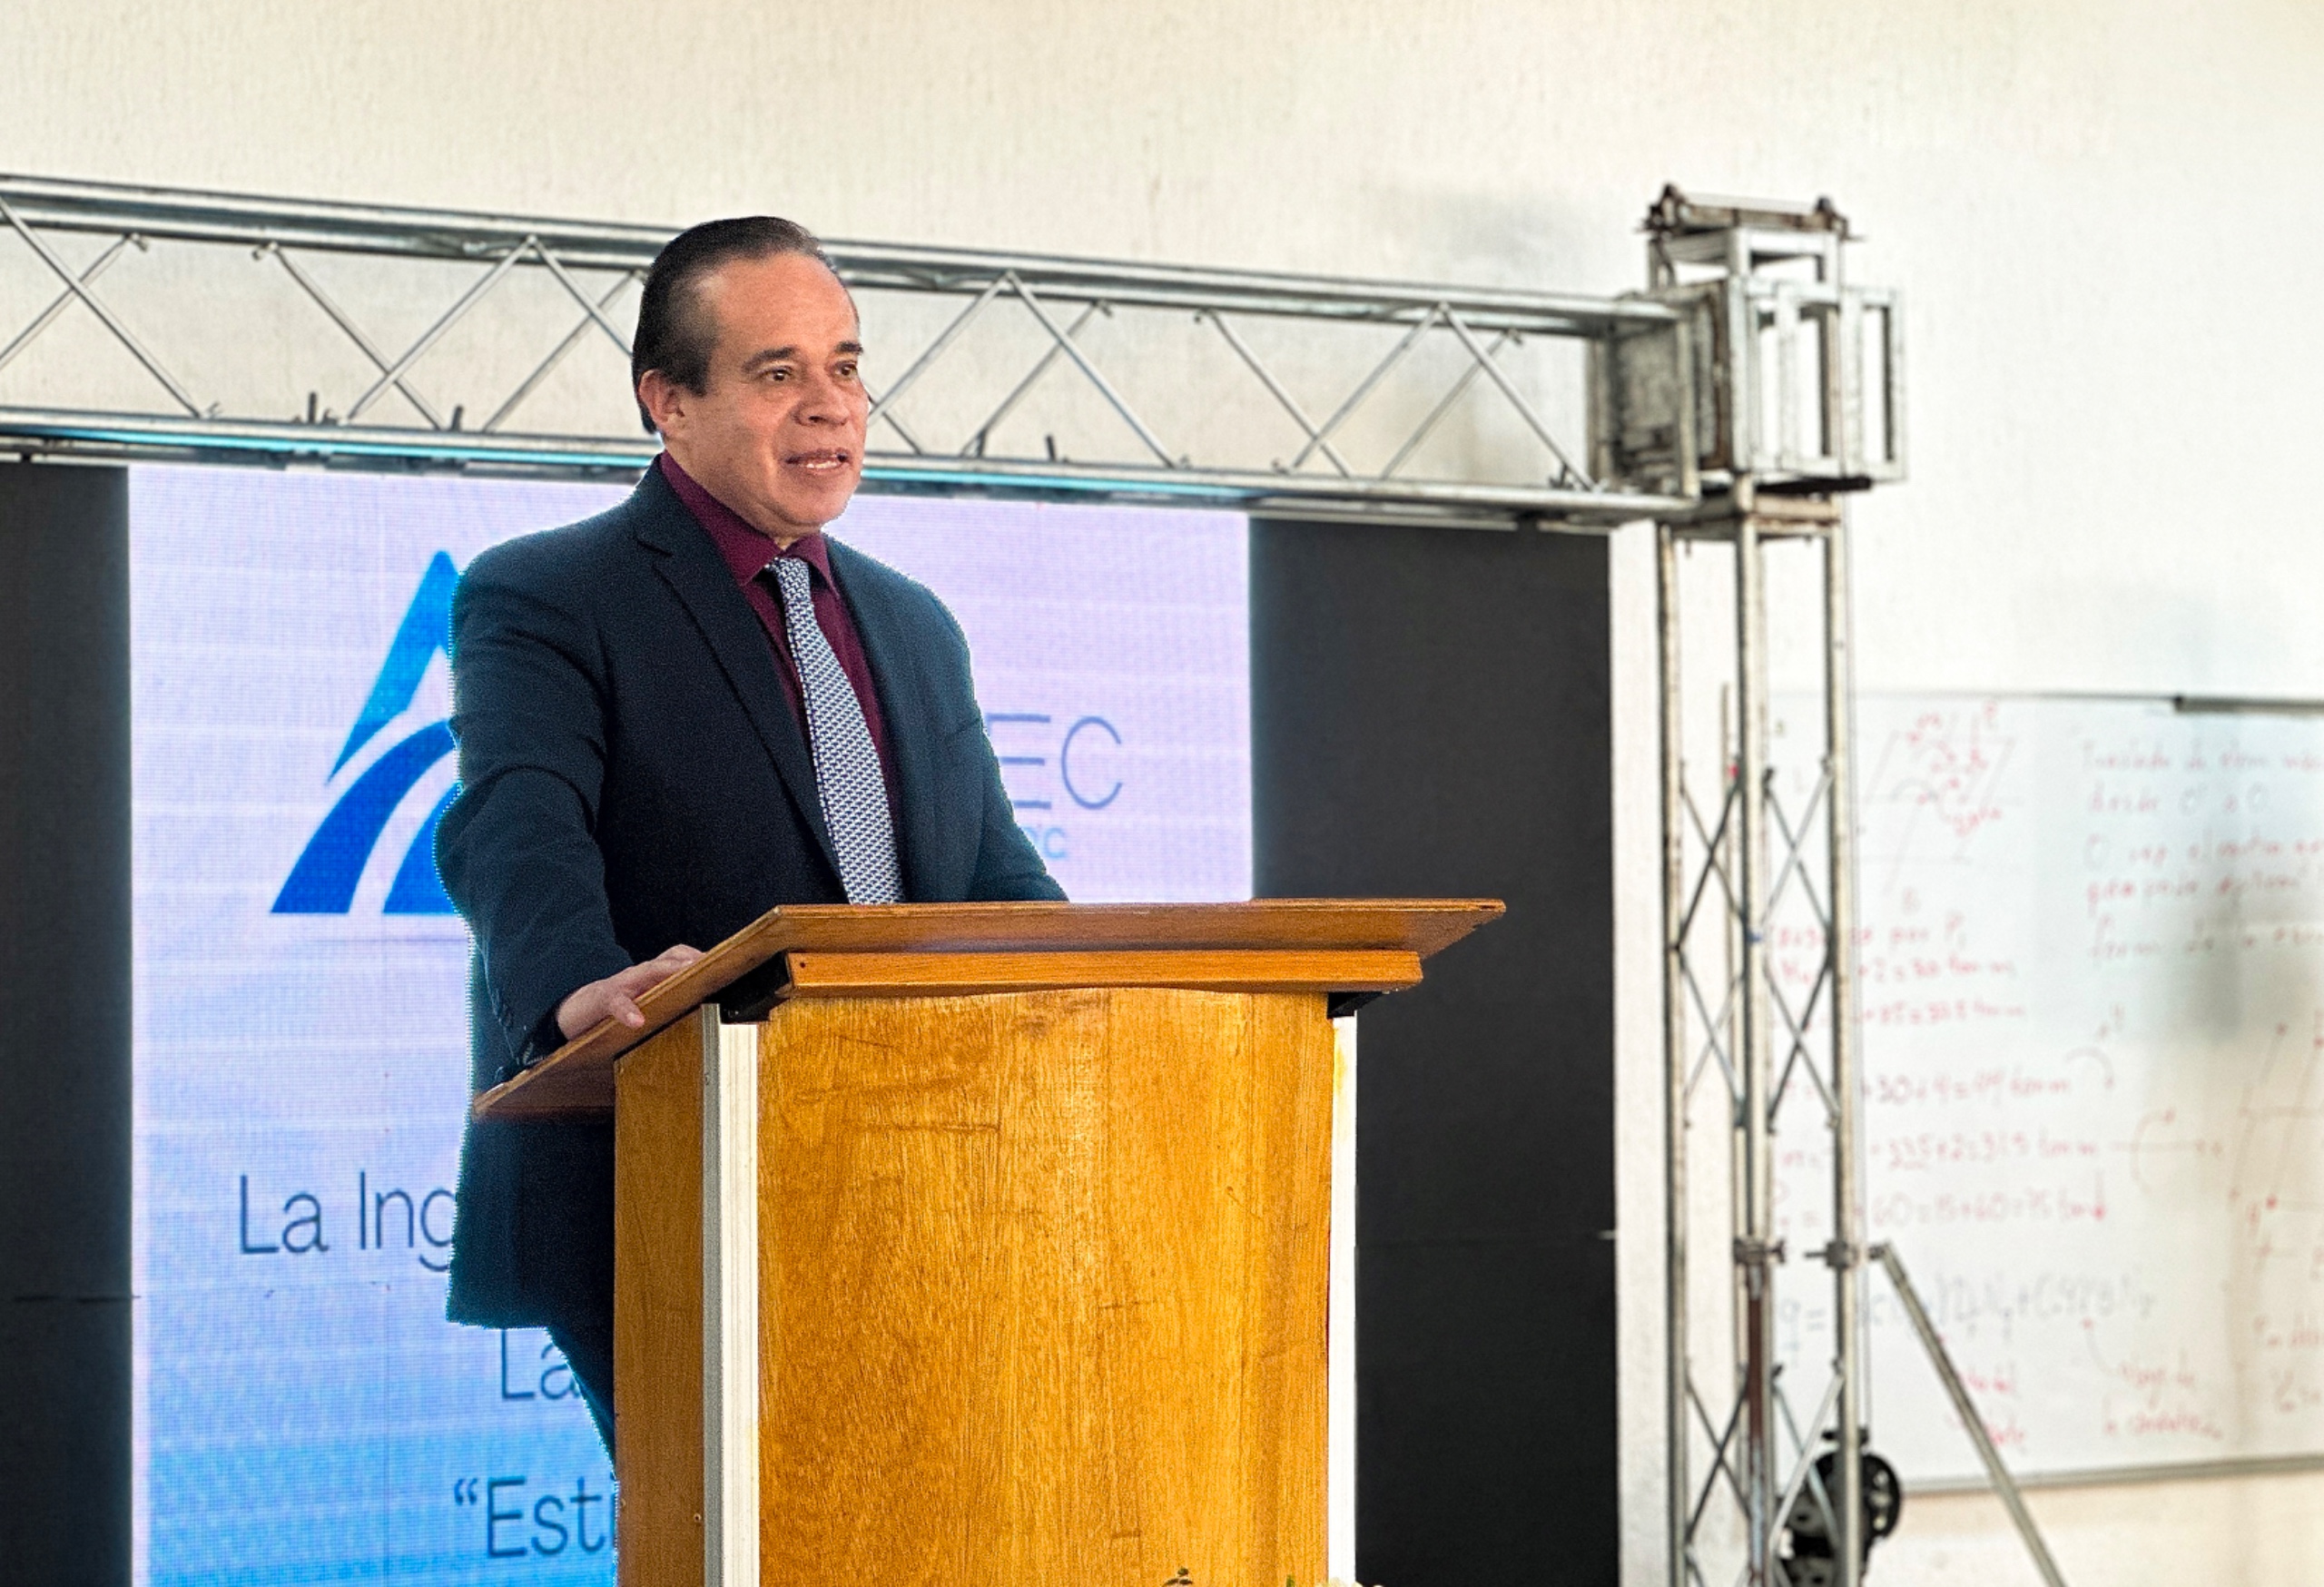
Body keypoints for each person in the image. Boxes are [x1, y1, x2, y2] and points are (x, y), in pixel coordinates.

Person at [435, 216, 1065, 1454]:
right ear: (668, 402)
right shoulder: (548, 594)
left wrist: (1105, 993)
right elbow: (517, 820)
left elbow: (992, 873)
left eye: (846, 366)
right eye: (779, 372)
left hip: (909, 1179)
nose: (830, 406)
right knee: (742, 1523)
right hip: (665, 1179)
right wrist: (577, 987)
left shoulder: (913, 623)